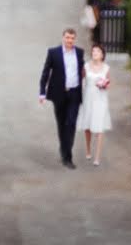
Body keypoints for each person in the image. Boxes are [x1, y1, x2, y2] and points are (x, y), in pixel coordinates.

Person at [39, 28, 85, 168]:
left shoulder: (79, 52)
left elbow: (83, 70)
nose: (69, 41)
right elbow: (46, 72)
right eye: (67, 38)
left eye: (72, 38)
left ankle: (67, 157)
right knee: (61, 125)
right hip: (59, 94)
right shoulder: (53, 53)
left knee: (70, 124)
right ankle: (64, 149)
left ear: (74, 39)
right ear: (63, 38)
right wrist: (42, 92)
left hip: (74, 94)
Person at [77, 43, 112, 165]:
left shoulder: (106, 68)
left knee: (99, 127)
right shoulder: (86, 66)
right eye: (93, 52)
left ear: (102, 55)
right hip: (88, 97)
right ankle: (88, 149)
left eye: (97, 52)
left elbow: (108, 82)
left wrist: (104, 85)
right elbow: (80, 79)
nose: (94, 53)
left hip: (100, 99)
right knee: (87, 126)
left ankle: (97, 157)